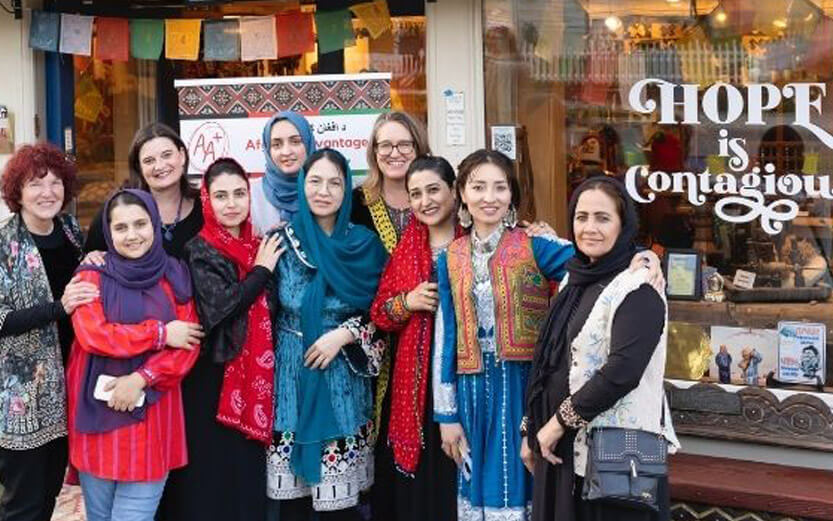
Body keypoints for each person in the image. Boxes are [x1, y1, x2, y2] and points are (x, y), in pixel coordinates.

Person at [435, 151, 663, 521]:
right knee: (475, 488)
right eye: (478, 187)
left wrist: (647, 258)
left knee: (519, 488)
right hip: (471, 393)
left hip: (522, 389)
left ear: (512, 195)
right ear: (462, 193)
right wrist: (446, 413)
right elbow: (447, 334)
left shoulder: (533, 246)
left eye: (500, 187)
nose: (488, 197)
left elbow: (597, 255)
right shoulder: (449, 257)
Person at [525, 176, 678, 521]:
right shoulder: (575, 279)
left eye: (603, 218)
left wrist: (557, 424)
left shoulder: (639, 287)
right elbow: (550, 360)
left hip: (613, 455)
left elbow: (622, 372)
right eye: (581, 217)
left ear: (624, 225)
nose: (589, 228)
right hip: (562, 448)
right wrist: (530, 428)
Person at [266, 149, 388, 520]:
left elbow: (383, 313)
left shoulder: (365, 245)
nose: (324, 191)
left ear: (346, 188)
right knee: (294, 505)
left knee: (342, 507)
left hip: (343, 381)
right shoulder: (280, 244)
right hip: (291, 376)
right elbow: (261, 313)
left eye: (334, 182)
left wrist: (345, 335)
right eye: (314, 181)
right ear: (302, 186)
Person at [67, 190, 202, 521]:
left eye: (140, 224)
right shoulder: (91, 275)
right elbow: (93, 335)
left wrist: (142, 379)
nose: (132, 235)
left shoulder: (175, 274)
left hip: (152, 418)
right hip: (98, 418)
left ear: (155, 225)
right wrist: (159, 333)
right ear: (108, 232)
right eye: (121, 227)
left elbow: (188, 343)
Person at [160, 158, 284, 521]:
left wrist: (262, 266)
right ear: (207, 202)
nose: (231, 203)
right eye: (221, 196)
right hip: (213, 377)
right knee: (212, 477)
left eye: (239, 194)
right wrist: (261, 272)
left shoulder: (260, 244)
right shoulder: (200, 248)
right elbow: (221, 307)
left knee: (246, 475)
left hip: (255, 378)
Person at [0, 144, 98, 521]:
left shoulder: (72, 232)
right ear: (18, 192)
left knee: (49, 498)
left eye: (56, 182)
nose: (47, 192)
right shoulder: (5, 243)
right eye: (35, 183)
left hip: (66, 389)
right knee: (22, 505)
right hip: (20, 399)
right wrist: (59, 308)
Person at [369, 156, 462, 521]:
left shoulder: (477, 240)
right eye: (416, 194)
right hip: (415, 389)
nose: (426, 201)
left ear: (454, 191)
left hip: (467, 381)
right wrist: (407, 302)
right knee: (422, 489)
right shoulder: (407, 247)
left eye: (434, 190)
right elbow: (379, 313)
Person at [350, 111, 430, 521]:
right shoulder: (356, 203)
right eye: (386, 146)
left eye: (404, 144)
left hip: (427, 342)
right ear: (373, 152)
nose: (395, 153)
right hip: (367, 346)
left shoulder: (435, 197)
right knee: (379, 453)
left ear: (418, 147)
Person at [85, 123, 202, 259]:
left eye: (166, 155)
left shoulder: (207, 208)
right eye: (149, 161)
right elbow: (91, 258)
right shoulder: (120, 208)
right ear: (139, 167)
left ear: (182, 156)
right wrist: (92, 257)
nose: (159, 166)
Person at [250, 111, 317, 235]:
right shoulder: (252, 195)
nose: (286, 151)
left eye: (295, 142)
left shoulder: (324, 190)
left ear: (308, 144)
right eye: (276, 144)